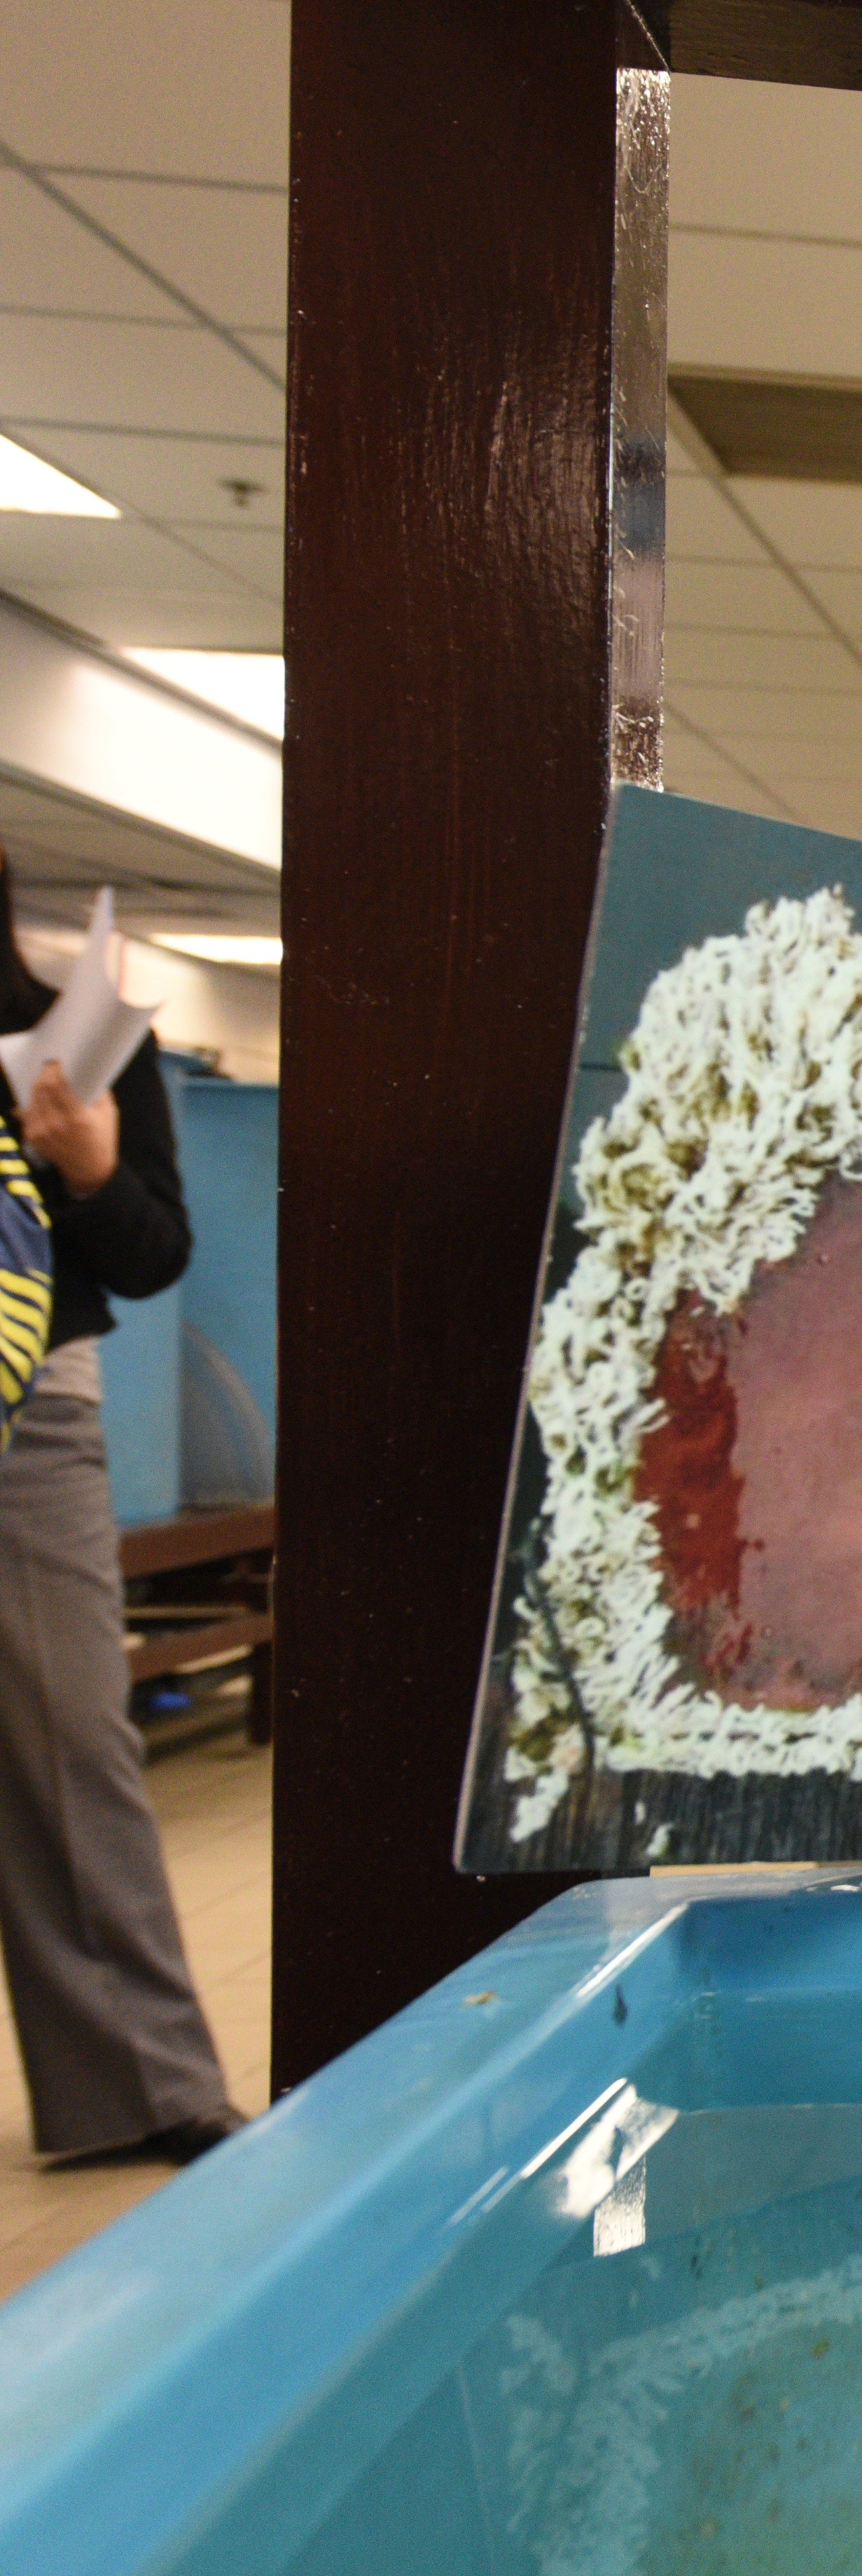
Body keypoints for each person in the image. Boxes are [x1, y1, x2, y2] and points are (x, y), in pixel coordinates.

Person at [0, 845, 228, 2165]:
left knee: (73, 1744)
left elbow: (156, 1257)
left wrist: (85, 1168)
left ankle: (146, 2087)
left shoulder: (72, 1041)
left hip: (35, 1409)